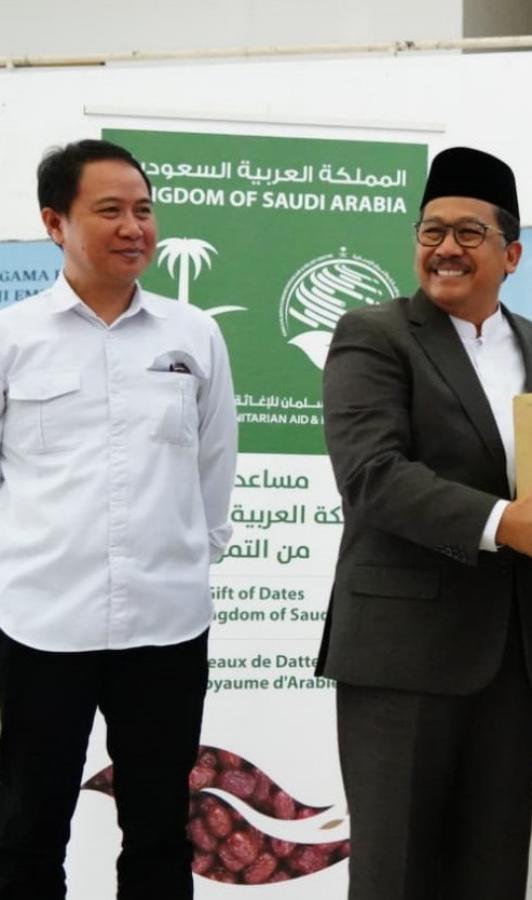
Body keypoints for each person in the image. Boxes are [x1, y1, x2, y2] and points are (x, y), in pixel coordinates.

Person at [317, 146, 532, 900]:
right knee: (397, 876)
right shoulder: (374, 334)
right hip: (403, 656)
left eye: (469, 233)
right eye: (432, 231)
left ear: (512, 254)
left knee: (492, 874)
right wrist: (505, 523)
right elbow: (372, 475)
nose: (446, 247)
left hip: (514, 660)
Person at [0, 139, 238, 899]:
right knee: (26, 831)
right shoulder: (13, 337)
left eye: (144, 210)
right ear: (55, 223)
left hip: (167, 627)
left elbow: (215, 463)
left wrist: (190, 559)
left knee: (160, 833)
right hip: (41, 626)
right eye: (110, 210)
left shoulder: (193, 336)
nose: (135, 227)